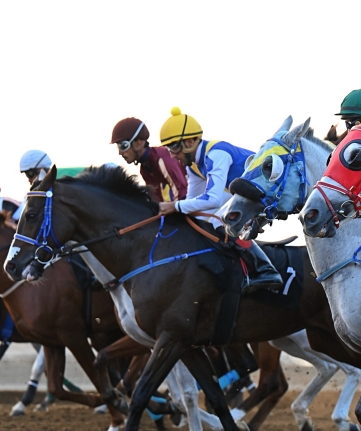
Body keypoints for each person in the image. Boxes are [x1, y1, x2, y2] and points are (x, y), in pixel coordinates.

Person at [157, 107, 283, 293]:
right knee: (201, 219)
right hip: (244, 194)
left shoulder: (216, 153)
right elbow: (193, 204)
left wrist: (174, 206)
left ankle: (266, 270)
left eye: (174, 147)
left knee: (218, 220)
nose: (172, 155)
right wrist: (176, 212)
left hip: (269, 190)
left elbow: (213, 199)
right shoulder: (193, 167)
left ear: (190, 142)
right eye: (169, 148)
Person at [110, 117, 188, 202]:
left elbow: (183, 193)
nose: (120, 153)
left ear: (138, 143)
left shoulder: (163, 159)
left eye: (123, 146)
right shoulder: (144, 168)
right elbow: (157, 200)